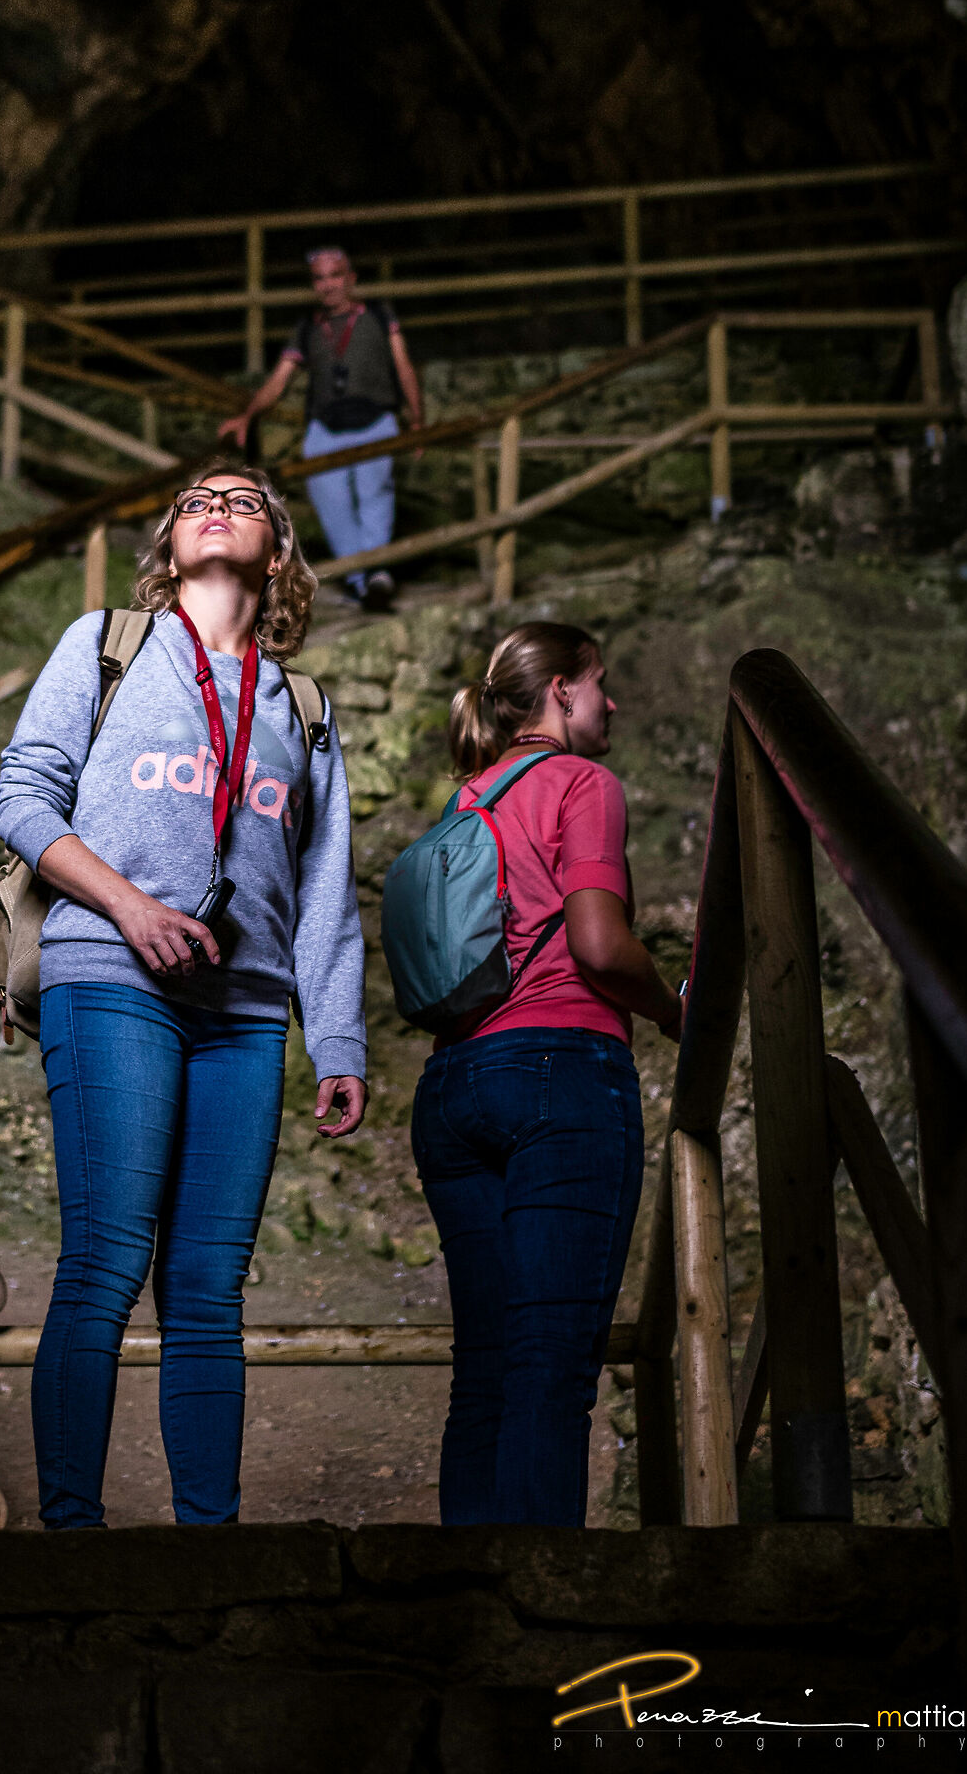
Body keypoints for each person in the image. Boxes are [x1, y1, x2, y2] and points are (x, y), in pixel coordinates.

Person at [0, 461, 367, 1528]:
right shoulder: (105, 647)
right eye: (197, 498)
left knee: (207, 1291)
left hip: (244, 1016)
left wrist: (334, 1041)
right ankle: (71, 1538)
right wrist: (131, 910)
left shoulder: (301, 706)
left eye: (243, 500)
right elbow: (21, 798)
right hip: (112, 978)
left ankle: (211, 1546)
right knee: (106, 1259)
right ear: (168, 543)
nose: (215, 507)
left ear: (279, 552)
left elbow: (325, 886)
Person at [413, 621, 683, 1528]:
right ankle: (544, 1622)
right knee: (550, 1364)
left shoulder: (468, 798)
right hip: (559, 1072)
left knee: (485, 1369)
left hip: (452, 1089)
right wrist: (677, 1011)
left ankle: (467, 1616)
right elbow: (600, 947)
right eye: (602, 683)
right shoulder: (583, 783)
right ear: (563, 691)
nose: (614, 702)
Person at [218, 245, 422, 611]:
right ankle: (361, 581)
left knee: (375, 497)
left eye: (336, 275)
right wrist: (249, 415)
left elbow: (403, 365)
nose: (328, 285)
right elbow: (279, 380)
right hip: (325, 428)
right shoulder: (308, 328)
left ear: (351, 278)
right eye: (320, 278)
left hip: (376, 421)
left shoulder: (378, 315)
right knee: (334, 506)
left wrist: (417, 419)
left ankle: (376, 573)